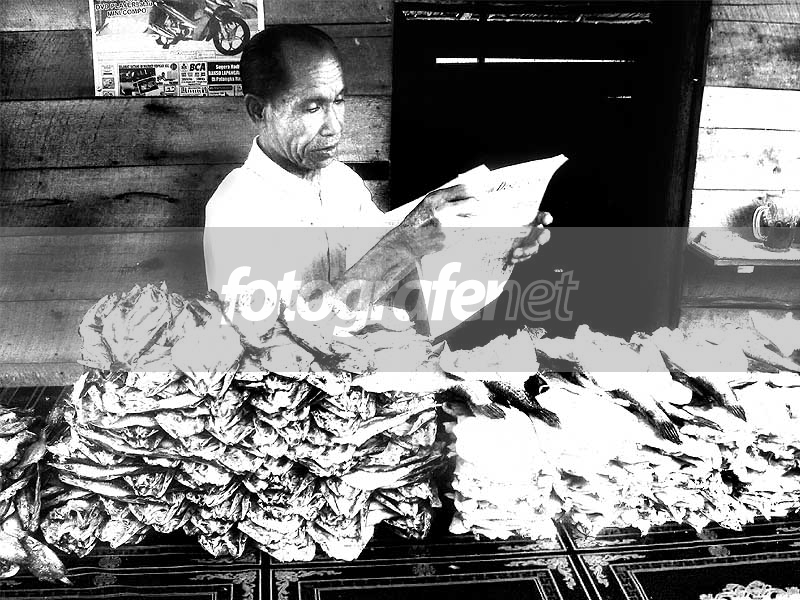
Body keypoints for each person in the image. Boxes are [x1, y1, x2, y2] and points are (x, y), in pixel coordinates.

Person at [203, 24, 551, 335]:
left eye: (339, 101)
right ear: (258, 111)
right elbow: (270, 345)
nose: (335, 126)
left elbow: (395, 282)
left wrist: (491, 248)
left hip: (368, 368)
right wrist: (403, 244)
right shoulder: (235, 208)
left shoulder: (342, 182)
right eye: (312, 107)